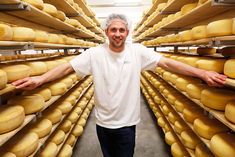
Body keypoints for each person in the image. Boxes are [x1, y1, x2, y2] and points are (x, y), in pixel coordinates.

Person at [12, 13, 226, 157]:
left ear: (127, 32)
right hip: (103, 122)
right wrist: (40, 79)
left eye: (121, 30)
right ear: (106, 32)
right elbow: (67, 67)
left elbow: (168, 63)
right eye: (113, 29)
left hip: (126, 124)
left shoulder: (138, 51)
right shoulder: (94, 54)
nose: (117, 34)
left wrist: (201, 72)